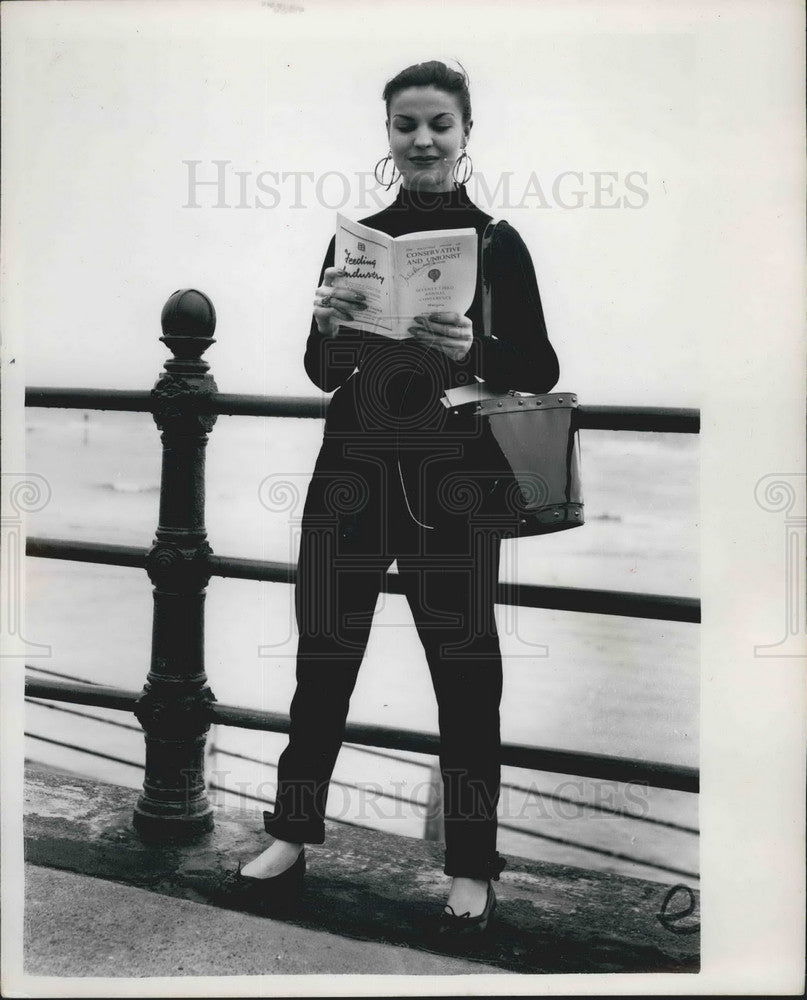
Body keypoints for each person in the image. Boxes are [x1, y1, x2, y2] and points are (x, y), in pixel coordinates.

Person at [240, 60, 559, 934]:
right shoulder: (357, 238)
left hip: (452, 483)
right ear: (387, 135)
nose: (421, 140)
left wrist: (474, 348)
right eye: (404, 125)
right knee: (322, 661)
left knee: (465, 675)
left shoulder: (496, 242)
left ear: (465, 135)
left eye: (438, 125)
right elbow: (320, 374)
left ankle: (469, 864)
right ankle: (292, 832)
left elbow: (540, 369)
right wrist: (326, 327)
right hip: (350, 471)